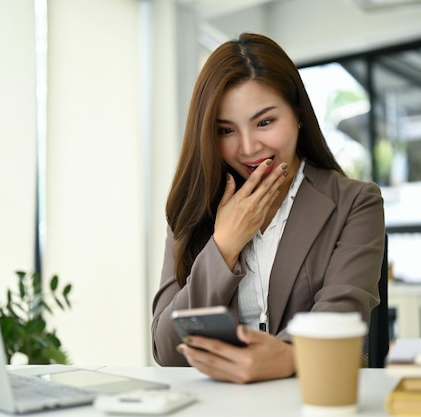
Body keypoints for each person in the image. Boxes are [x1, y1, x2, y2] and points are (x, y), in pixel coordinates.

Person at [151, 33, 385, 383]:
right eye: (226, 130)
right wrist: (224, 246)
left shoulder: (354, 202)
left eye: (264, 122)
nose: (247, 148)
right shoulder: (194, 207)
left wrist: (289, 358)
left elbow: (341, 319)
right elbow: (168, 350)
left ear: (298, 115)